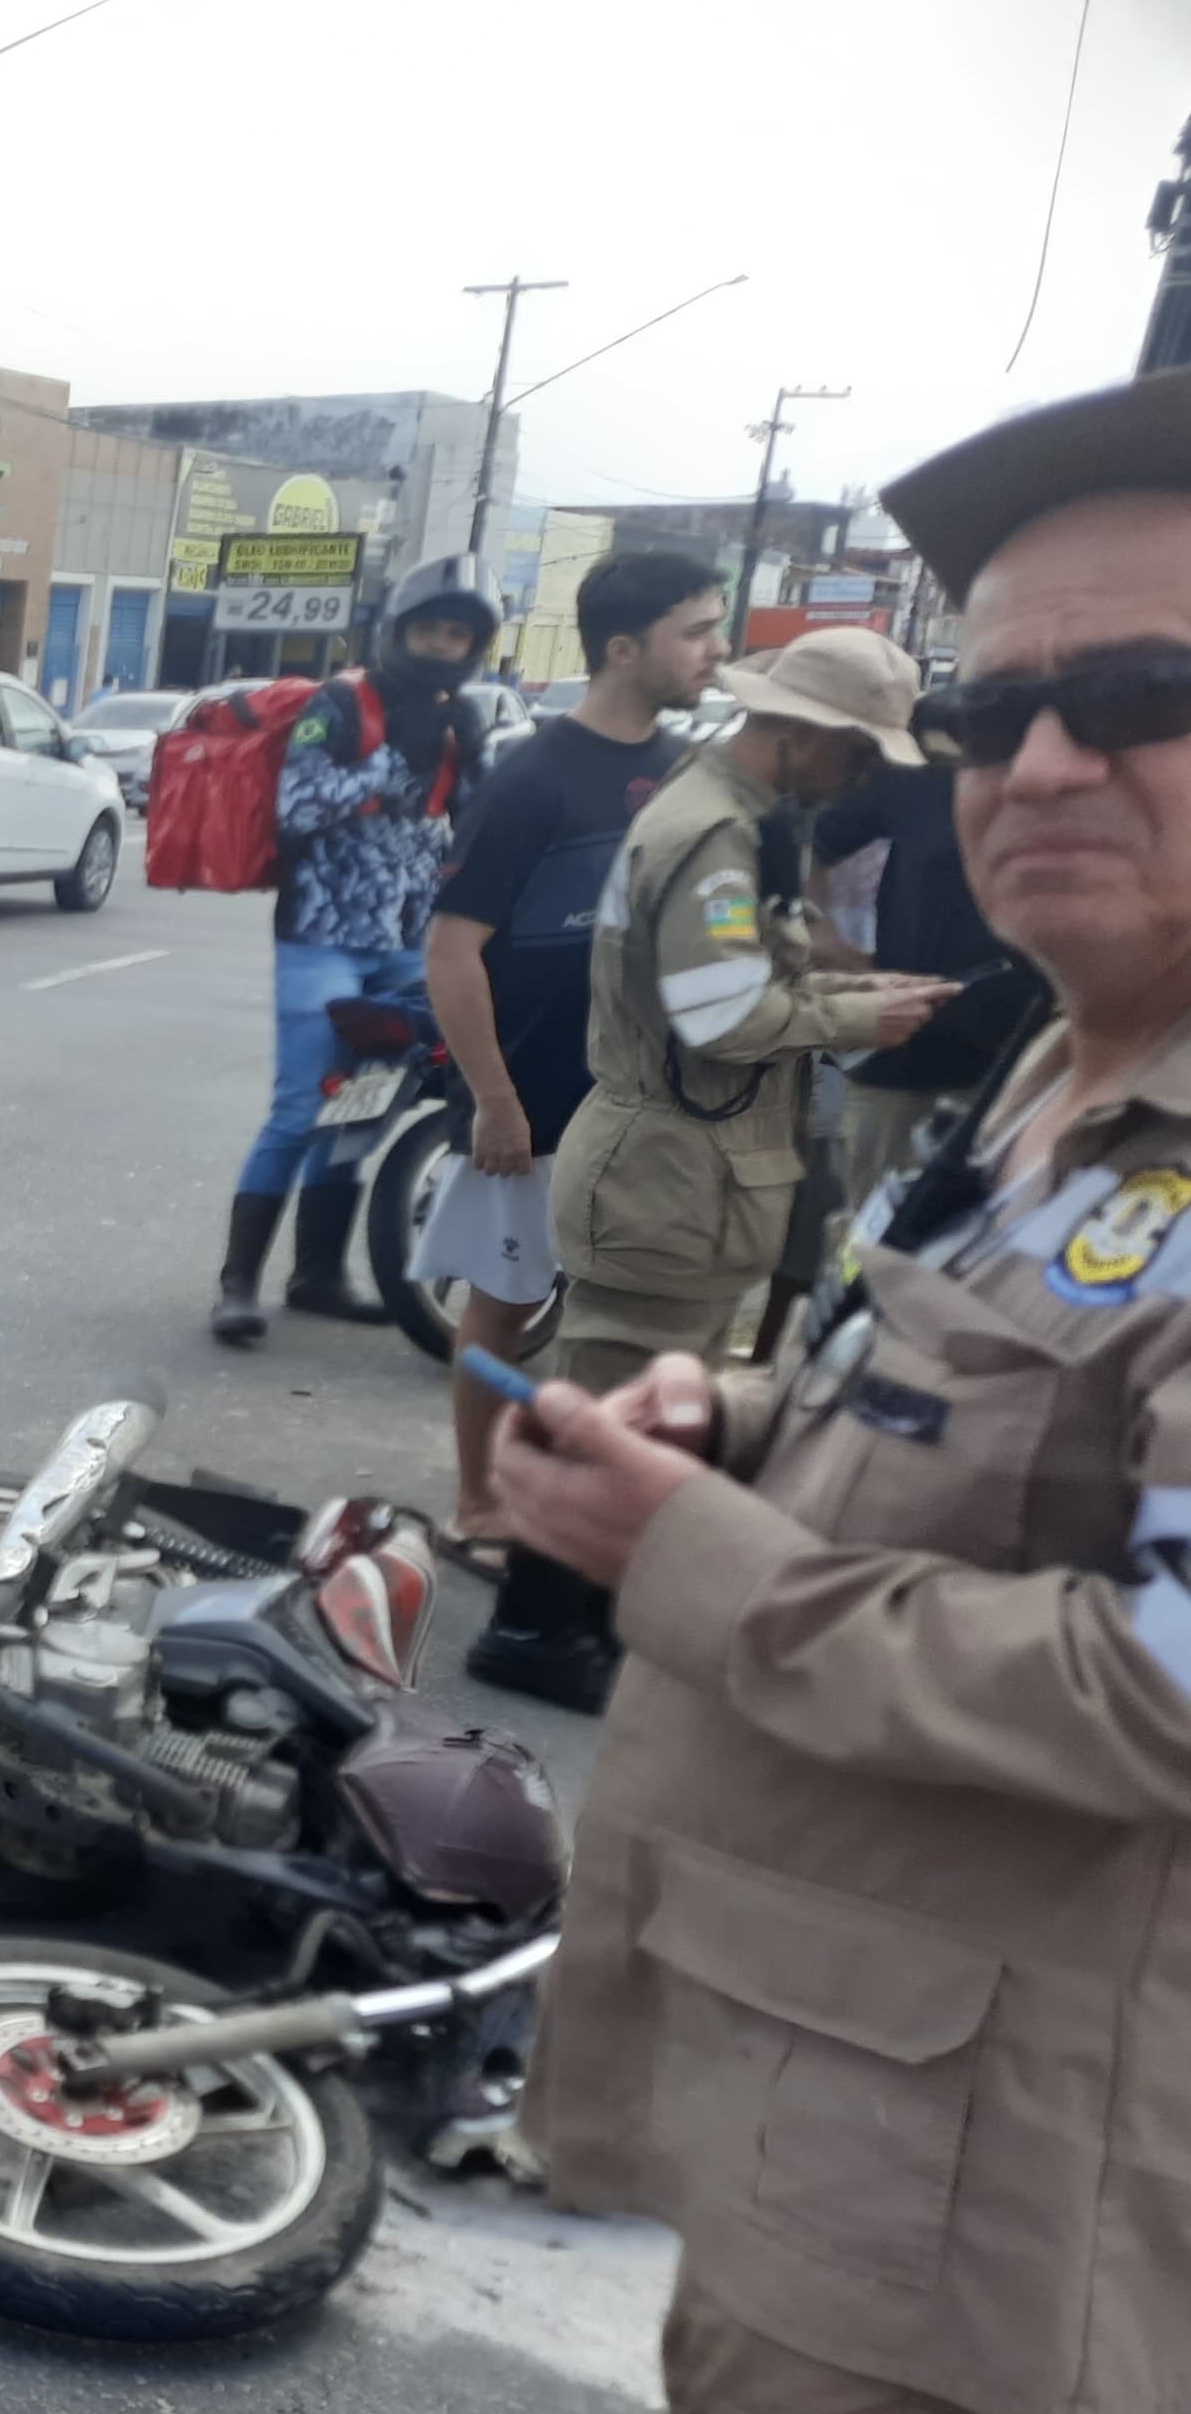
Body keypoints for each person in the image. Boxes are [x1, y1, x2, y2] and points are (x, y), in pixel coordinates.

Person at [496, 363, 1191, 2414]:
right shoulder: (1066, 1065)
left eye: (1134, 701)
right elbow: (968, 1443)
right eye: (992, 705)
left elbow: (1152, 1689)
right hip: (862, 2115)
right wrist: (749, 1419)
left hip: (971, 2182)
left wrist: (698, 1562)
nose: (1029, 761)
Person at [494, 629, 962, 1712]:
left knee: (633, 1399)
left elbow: (743, 978)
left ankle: (575, 1621)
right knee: (604, 1406)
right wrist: (862, 1015)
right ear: (803, 737)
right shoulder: (712, 833)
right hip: (667, 1161)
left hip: (689, 1163)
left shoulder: (741, 821)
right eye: (856, 755)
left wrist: (855, 989)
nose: (861, 781)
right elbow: (715, 1016)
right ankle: (533, 1628)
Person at [416, 550, 728, 1698]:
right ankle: (476, 1501)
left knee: (608, 1324)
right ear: (620, 648)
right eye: (694, 632)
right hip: (534, 1101)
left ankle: (577, 1512)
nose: (712, 652)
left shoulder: (688, 773)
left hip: (639, 1108)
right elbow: (450, 950)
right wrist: (493, 1096)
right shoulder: (532, 777)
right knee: (501, 1304)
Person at [211, 553, 507, 1343]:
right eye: (430, 628)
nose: (443, 644)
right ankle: (237, 1283)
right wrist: (385, 767)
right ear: (399, 629)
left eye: (458, 632)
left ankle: (317, 1274)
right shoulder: (340, 705)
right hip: (321, 938)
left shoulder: (463, 718)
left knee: (365, 1108)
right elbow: (296, 805)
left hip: (409, 940)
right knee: (300, 1107)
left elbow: (475, 824)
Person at [811, 752, 1050, 1212]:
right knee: (873, 1250)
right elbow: (812, 842)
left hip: (1033, 1069)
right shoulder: (922, 774)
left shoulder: (1090, 773)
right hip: (909, 1066)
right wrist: (823, 938)